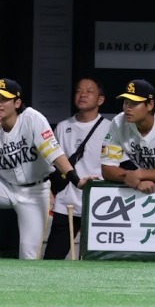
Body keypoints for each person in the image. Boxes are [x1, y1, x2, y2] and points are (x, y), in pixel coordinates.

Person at [0, 78, 87, 259]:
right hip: (4, 187)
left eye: (4, 99)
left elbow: (55, 154)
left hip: (35, 191)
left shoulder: (32, 119)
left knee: (29, 257)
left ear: (17, 103)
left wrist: (76, 180)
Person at [44, 77, 111, 260]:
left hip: (99, 203)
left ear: (100, 100)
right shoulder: (63, 127)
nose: (83, 95)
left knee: (96, 261)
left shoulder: (110, 128)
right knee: (52, 258)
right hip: (66, 202)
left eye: (89, 91)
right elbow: (53, 164)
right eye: (79, 91)